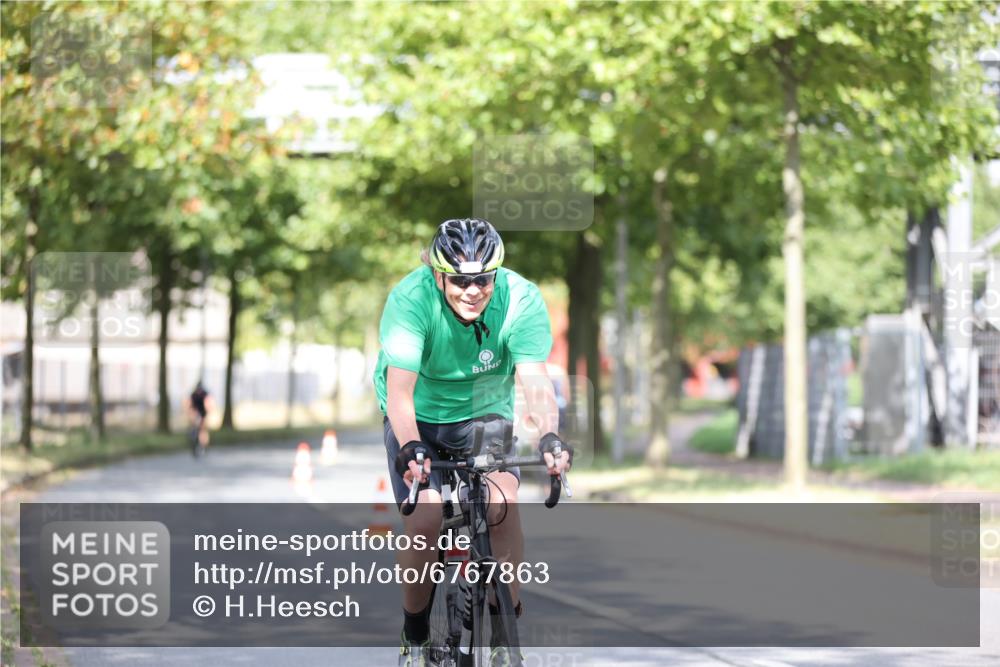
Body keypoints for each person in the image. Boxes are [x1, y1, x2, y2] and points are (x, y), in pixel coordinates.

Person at [373, 218, 572, 667]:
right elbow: (400, 394)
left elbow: (535, 381)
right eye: (460, 280)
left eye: (483, 279)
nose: (472, 291)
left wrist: (549, 435)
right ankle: (415, 636)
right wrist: (411, 448)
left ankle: (504, 634)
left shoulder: (520, 299)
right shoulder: (410, 300)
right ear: (437, 275)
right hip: (418, 416)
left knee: (502, 501)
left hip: (484, 409)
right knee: (425, 519)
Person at [185, 380, 213, 456]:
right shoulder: (194, 394)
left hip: (203, 414)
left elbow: (208, 403)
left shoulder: (204, 394)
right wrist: (190, 413)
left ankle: (204, 444)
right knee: (195, 428)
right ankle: (195, 440)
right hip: (196, 413)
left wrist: (207, 411)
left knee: (203, 430)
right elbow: (189, 404)